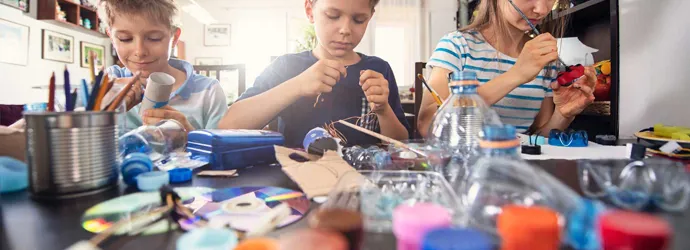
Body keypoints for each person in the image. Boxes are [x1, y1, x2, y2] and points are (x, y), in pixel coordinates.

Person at [218, 0, 410, 147]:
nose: (345, 30)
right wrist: (298, 85)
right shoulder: (286, 67)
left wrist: (383, 110)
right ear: (310, 10)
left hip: (362, 182)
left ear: (369, 16)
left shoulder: (379, 69)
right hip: (298, 182)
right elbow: (228, 126)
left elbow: (401, 144)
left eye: (358, 20)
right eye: (333, 16)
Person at [417, 0, 597, 137]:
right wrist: (516, 75)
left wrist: (562, 115)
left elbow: (537, 138)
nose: (542, 9)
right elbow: (427, 126)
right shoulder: (457, 46)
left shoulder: (546, 60)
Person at [99, 0, 228, 132]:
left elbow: (223, 150)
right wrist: (101, 113)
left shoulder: (209, 92)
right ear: (112, 38)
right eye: (124, 39)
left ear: (175, 38)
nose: (140, 51)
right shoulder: (107, 84)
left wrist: (190, 136)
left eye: (154, 38)